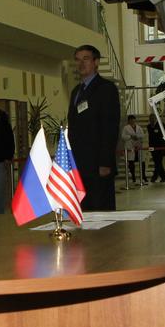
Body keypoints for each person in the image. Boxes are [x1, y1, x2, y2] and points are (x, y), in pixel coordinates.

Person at [66, 44, 120, 210]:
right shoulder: (76, 91)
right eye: (78, 60)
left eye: (86, 59)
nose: (81, 64)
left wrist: (105, 162)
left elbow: (110, 127)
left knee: (101, 210)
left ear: (96, 62)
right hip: (79, 165)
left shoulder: (106, 89)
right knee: (84, 211)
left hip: (98, 165)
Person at [146, 112, 165, 182]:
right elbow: (150, 137)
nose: (151, 120)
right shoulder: (149, 126)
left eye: (153, 118)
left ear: (155, 118)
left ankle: (154, 177)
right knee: (157, 162)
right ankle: (164, 177)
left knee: (158, 162)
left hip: (161, 147)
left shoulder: (161, 125)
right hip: (153, 148)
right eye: (150, 119)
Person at [121, 114, 144, 185]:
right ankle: (133, 176)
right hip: (130, 147)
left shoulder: (139, 127)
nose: (132, 121)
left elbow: (142, 135)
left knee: (142, 162)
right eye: (131, 120)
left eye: (133, 119)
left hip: (138, 146)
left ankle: (143, 176)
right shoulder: (125, 128)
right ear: (128, 120)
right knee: (131, 162)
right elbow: (123, 137)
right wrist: (130, 136)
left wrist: (137, 136)